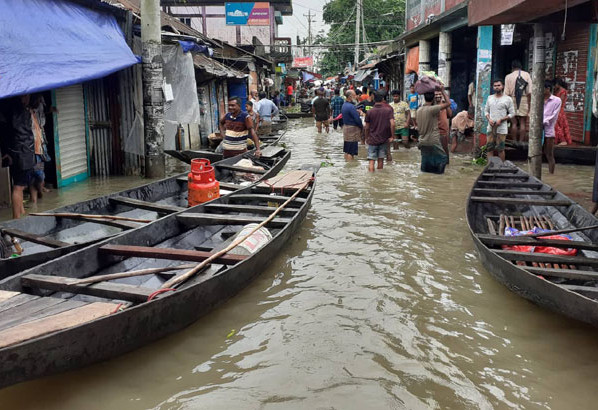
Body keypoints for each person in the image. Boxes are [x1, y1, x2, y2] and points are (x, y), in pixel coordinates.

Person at [5, 94, 39, 218]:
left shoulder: (10, 111)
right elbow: (23, 135)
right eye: (25, 96)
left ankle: (21, 214)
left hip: (18, 153)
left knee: (20, 185)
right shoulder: (19, 112)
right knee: (18, 187)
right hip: (23, 153)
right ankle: (16, 218)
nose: (26, 99)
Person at [416, 87, 452, 174]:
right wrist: (443, 90)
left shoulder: (418, 110)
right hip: (433, 140)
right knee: (443, 158)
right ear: (433, 98)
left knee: (426, 161)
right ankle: (438, 179)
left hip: (422, 141)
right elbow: (448, 103)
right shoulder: (433, 109)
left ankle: (427, 180)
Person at [484, 79, 515, 161]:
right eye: (495, 86)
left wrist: (501, 119)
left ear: (503, 86)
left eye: (499, 85)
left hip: (502, 128)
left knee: (500, 149)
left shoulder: (508, 99)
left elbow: (512, 113)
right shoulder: (489, 98)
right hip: (490, 127)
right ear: (493, 87)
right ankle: (490, 166)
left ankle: (501, 167)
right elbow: (486, 111)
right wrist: (489, 119)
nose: (497, 87)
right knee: (489, 148)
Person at [364, 91, 394, 172]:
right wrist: (392, 136)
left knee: (371, 160)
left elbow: (366, 127)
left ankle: (371, 178)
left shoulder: (370, 111)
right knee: (381, 160)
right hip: (384, 139)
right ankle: (379, 179)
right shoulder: (388, 110)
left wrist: (366, 138)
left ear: (374, 99)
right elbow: (392, 124)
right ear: (383, 99)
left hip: (372, 139)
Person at [505, 60, 532, 142]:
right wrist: (529, 104)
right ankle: (520, 142)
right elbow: (529, 92)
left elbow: (506, 93)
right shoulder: (526, 74)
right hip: (524, 99)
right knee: (523, 122)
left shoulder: (508, 76)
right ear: (521, 67)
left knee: (513, 123)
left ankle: (514, 141)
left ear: (512, 67)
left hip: (512, 100)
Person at [543, 80, 562, 174]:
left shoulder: (557, 100)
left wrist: (543, 121)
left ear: (547, 89)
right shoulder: (538, 99)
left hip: (549, 130)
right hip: (538, 130)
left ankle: (551, 174)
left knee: (549, 154)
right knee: (535, 154)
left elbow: (554, 116)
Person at [341, 90, 363, 160]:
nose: (356, 97)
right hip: (352, 130)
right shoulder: (351, 106)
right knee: (351, 151)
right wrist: (361, 126)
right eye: (354, 95)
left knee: (347, 150)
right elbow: (357, 119)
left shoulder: (344, 105)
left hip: (346, 128)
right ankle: (351, 166)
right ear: (350, 97)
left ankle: (347, 164)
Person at [553, 78, 572, 146]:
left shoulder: (563, 91)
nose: (554, 87)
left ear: (558, 84)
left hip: (559, 111)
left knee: (557, 126)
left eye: (554, 85)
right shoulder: (557, 91)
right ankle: (560, 140)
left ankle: (563, 140)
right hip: (557, 110)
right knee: (560, 126)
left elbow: (560, 102)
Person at [435, 90, 453, 161]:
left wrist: (446, 104)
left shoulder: (445, 105)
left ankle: (446, 166)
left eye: (440, 94)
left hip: (443, 132)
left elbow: (450, 115)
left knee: (445, 151)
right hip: (434, 132)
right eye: (436, 94)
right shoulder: (432, 106)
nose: (438, 96)